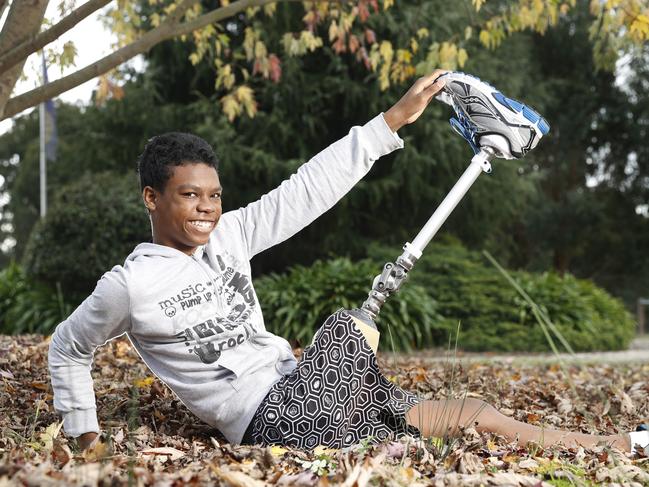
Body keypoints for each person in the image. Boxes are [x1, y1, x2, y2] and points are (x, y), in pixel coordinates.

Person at [47, 70, 647, 455]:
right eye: (189, 196)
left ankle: (620, 443)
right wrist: (85, 436)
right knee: (347, 328)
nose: (207, 209)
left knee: (473, 413)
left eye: (213, 195)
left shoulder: (228, 235)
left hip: (308, 390)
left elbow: (307, 189)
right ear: (152, 198)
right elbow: (68, 347)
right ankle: (352, 354)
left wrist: (393, 120)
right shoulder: (132, 284)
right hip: (270, 421)